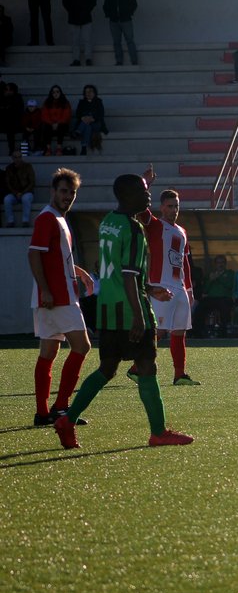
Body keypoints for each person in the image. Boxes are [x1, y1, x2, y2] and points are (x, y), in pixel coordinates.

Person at [54, 173, 194, 449]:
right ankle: (158, 432)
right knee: (147, 367)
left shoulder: (108, 222)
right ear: (128, 196)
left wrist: (151, 287)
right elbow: (129, 276)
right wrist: (139, 315)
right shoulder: (133, 228)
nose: (148, 195)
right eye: (143, 191)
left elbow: (120, 270)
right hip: (129, 311)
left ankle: (67, 420)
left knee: (107, 368)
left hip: (108, 308)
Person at [28, 167, 92, 426]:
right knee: (82, 346)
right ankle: (61, 407)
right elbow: (34, 254)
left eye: (72, 193)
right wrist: (45, 289)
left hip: (54, 296)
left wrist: (78, 271)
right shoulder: (47, 218)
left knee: (48, 352)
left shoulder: (58, 219)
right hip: (58, 297)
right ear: (53, 191)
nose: (68, 196)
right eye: (64, 191)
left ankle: (42, 413)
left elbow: (55, 258)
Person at [136, 189, 200, 385]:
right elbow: (141, 210)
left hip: (179, 287)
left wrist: (189, 290)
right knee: (159, 330)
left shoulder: (182, 231)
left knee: (179, 331)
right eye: (170, 206)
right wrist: (144, 185)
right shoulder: (155, 225)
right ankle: (136, 368)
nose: (174, 210)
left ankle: (179, 375)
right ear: (162, 207)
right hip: (160, 286)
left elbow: (185, 263)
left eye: (176, 206)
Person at [193, 254, 233, 337]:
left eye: (222, 262)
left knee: (225, 308)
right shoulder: (210, 274)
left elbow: (230, 285)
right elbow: (205, 290)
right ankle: (197, 332)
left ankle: (224, 333)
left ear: (225, 263)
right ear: (215, 264)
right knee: (200, 307)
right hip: (211, 298)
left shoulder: (230, 273)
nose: (220, 265)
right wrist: (210, 280)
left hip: (224, 298)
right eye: (218, 263)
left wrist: (218, 278)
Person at [102, 0, 137, 65]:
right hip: (115, 20)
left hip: (125, 19)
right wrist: (109, 14)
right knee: (117, 42)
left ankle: (133, 60)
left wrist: (128, 13)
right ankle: (120, 61)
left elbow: (134, 4)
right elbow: (105, 5)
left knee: (129, 40)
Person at [4, 150, 35, 227]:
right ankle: (10, 221)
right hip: (14, 193)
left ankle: (25, 221)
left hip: (27, 192)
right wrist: (15, 193)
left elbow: (32, 182)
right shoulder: (9, 168)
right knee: (7, 199)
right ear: (12, 158)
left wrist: (23, 192)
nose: (18, 159)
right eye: (16, 157)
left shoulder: (28, 167)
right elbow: (8, 183)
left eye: (19, 157)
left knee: (25, 198)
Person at [39, 84, 72, 156]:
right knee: (46, 127)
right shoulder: (47, 102)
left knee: (61, 126)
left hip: (61, 124)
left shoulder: (65, 102)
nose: (55, 94)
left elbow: (66, 115)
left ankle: (59, 148)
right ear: (51, 93)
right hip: (50, 124)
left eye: (57, 92)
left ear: (60, 93)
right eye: (53, 92)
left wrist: (58, 123)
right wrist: (51, 123)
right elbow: (44, 115)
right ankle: (48, 148)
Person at [73, 84, 106, 155]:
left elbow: (101, 114)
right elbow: (78, 113)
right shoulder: (82, 102)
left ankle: (78, 131)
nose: (88, 93)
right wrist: (82, 117)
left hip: (96, 123)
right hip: (85, 123)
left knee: (88, 124)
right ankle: (83, 149)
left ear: (94, 93)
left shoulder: (98, 102)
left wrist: (92, 119)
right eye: (86, 92)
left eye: (90, 91)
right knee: (88, 127)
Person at [64, 0, 97, 66]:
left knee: (86, 39)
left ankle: (86, 59)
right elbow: (65, 2)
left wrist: (86, 11)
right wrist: (72, 11)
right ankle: (79, 59)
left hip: (83, 17)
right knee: (76, 40)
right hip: (76, 17)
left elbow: (93, 1)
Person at [1, 82, 26, 155]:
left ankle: (12, 150)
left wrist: (7, 108)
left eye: (10, 90)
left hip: (15, 123)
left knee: (10, 129)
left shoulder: (17, 97)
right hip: (4, 122)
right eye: (6, 90)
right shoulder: (2, 98)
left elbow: (18, 111)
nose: (8, 91)